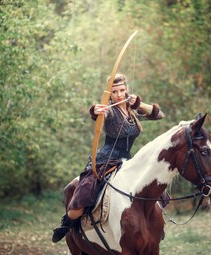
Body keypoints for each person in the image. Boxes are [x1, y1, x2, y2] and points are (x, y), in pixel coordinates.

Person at [52, 73, 164, 243]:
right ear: (109, 94)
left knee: (153, 188)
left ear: (127, 90)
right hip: (106, 160)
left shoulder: (133, 110)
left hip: (128, 161)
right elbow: (98, 113)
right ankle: (67, 225)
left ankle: (153, 225)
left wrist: (139, 103)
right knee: (82, 199)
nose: (119, 95)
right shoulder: (110, 111)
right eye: (114, 92)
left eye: (122, 90)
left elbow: (158, 115)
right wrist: (96, 111)